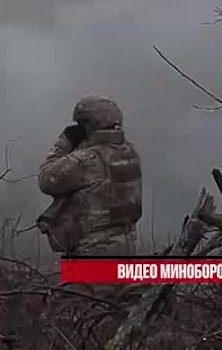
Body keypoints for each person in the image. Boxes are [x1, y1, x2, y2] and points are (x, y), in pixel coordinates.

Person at [36, 95, 142, 256]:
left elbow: (46, 180)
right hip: (126, 248)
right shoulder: (129, 152)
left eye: (81, 124)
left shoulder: (86, 160)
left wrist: (64, 143)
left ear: (90, 125)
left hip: (92, 252)